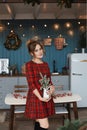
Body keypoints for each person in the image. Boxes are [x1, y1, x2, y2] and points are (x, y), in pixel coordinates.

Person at [23, 40, 55, 130]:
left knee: (39, 122)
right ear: (31, 53)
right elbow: (31, 84)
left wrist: (52, 89)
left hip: (46, 96)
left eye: (40, 49)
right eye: (36, 50)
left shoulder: (45, 64)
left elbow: (49, 82)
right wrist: (41, 98)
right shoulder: (29, 65)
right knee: (45, 125)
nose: (40, 52)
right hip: (36, 98)